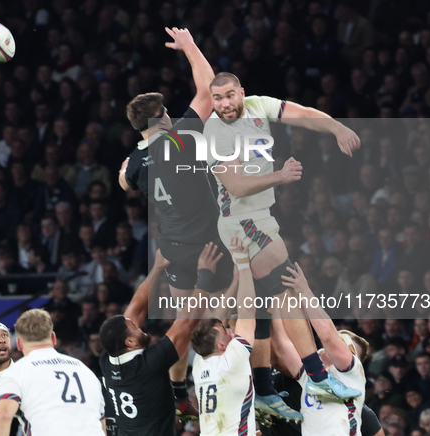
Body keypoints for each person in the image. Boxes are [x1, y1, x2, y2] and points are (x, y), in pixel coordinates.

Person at [202, 72, 361, 416]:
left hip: (260, 216)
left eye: (230, 96)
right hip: (241, 221)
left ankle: (263, 387)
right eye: (217, 99)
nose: (225, 104)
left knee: (263, 305)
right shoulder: (214, 131)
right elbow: (236, 186)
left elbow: (302, 113)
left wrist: (336, 127)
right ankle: (316, 375)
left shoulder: (258, 105)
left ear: (241, 92)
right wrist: (281, 175)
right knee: (286, 286)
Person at [119, 27, 236, 419]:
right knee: (228, 315)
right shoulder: (182, 137)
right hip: (209, 246)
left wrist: (127, 167)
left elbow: (123, 178)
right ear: (161, 117)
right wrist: (189, 48)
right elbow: (209, 91)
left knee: (183, 327)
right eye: (166, 111)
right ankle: (232, 389)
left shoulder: (134, 164)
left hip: (174, 252)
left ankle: (177, 389)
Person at [99, 245, 221, 436]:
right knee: (181, 337)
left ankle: (180, 397)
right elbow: (187, 322)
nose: (139, 326)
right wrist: (205, 274)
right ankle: (180, 397)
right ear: (130, 343)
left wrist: (157, 268)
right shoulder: (147, 366)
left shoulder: (109, 358)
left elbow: (136, 309)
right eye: (135, 328)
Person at [271, 264, 368, 436]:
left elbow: (328, 335)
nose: (332, 347)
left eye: (343, 343)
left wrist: (305, 291)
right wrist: (274, 304)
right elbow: (282, 346)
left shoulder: (351, 375)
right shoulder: (310, 376)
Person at [0, 309, 105, 436]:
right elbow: (101, 422)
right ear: (53, 338)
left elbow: (3, 416)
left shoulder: (16, 372)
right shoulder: (84, 370)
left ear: (19, 343)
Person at [190, 236, 263, 436]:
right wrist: (243, 264)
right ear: (222, 345)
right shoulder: (232, 359)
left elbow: (215, 321)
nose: (231, 330)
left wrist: (236, 282)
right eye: (227, 332)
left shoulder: (200, 362)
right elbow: (247, 311)